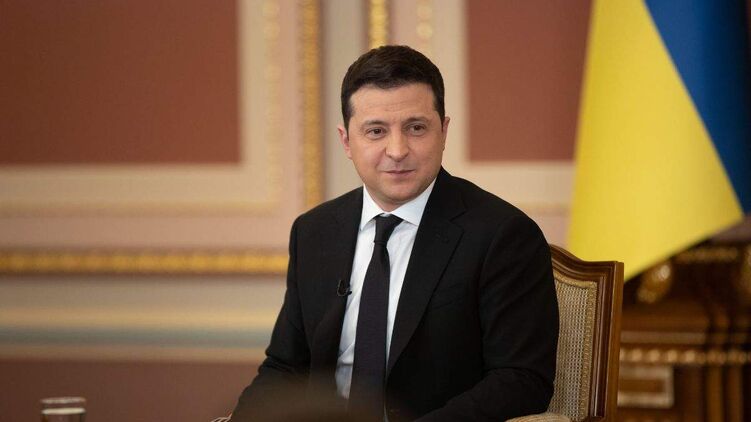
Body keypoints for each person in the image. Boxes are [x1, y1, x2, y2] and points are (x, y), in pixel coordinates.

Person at [230, 45, 558, 422]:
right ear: (346, 141)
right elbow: (285, 367)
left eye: (416, 128)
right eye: (376, 131)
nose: (398, 150)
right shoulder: (313, 232)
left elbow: (520, 380)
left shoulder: (503, 235)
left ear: (443, 131)